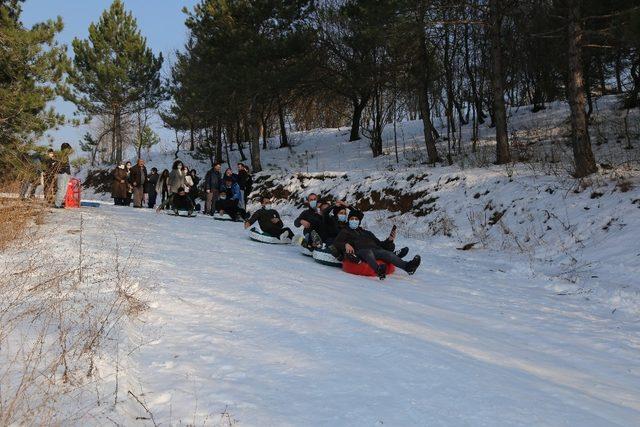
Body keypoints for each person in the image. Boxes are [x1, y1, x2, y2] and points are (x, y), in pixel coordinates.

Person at [332, 210, 421, 280]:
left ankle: (408, 267)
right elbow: (336, 243)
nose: (354, 221)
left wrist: (389, 240)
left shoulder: (367, 232)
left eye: (356, 219)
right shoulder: (345, 231)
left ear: (359, 221)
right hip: (360, 251)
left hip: (375, 249)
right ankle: (378, 270)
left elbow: (380, 244)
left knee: (387, 253)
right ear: (349, 220)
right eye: (352, 219)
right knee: (368, 252)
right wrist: (346, 244)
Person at [54, 143, 73, 208]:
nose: (69, 150)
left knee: (64, 189)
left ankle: (60, 202)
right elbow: (57, 164)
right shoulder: (60, 155)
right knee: (61, 189)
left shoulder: (66, 156)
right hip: (61, 173)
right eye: (68, 149)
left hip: (67, 173)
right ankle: (57, 204)